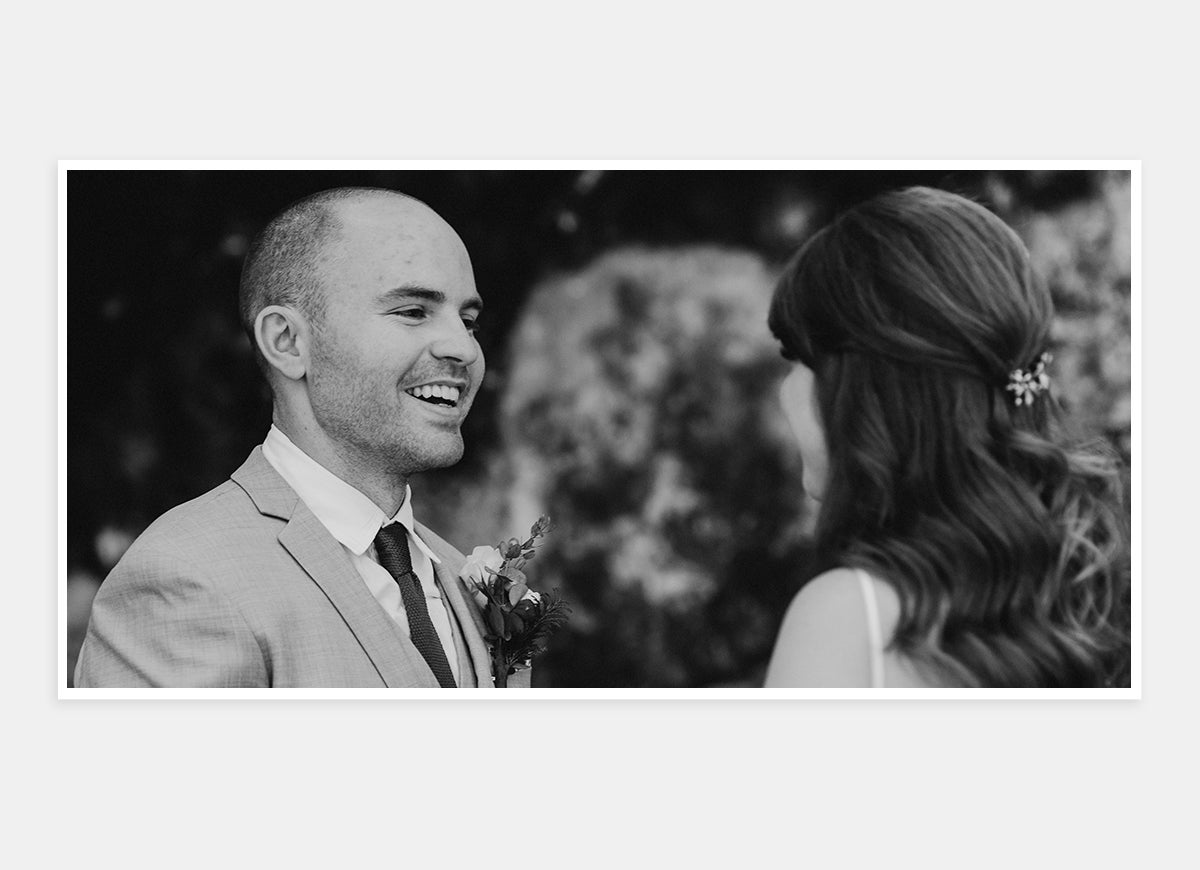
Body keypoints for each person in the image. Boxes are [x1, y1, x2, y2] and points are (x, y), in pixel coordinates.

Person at [75, 187, 527, 688]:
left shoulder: (462, 575)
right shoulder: (186, 576)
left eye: (469, 321)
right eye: (413, 311)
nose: (463, 348)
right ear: (287, 342)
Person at [764, 186, 1130, 688]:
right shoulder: (1092, 597)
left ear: (864, 388)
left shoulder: (852, 619)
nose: (786, 393)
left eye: (796, 360)